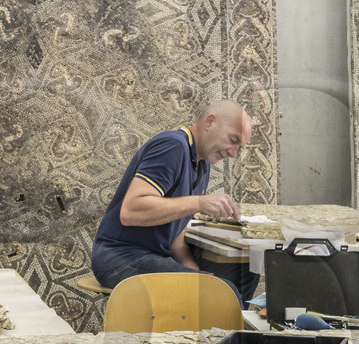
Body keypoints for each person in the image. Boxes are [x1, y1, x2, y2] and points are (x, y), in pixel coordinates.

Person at [91, 99, 259, 303]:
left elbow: (174, 230)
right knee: (224, 294)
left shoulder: (202, 164)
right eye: (233, 140)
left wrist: (188, 266)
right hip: (120, 259)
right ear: (210, 122)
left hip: (154, 257)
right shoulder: (173, 146)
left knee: (247, 268)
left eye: (239, 148)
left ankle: (213, 332)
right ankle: (218, 332)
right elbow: (131, 210)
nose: (233, 153)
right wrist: (199, 202)